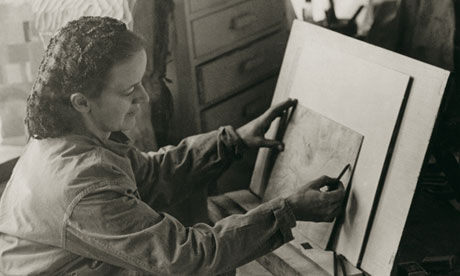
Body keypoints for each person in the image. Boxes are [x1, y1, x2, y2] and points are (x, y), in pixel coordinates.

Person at [0, 16, 345, 275]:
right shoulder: (82, 182)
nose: (144, 97)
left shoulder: (73, 133)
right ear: (81, 102)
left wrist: (231, 141)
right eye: (128, 90)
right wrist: (287, 212)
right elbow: (187, 255)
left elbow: (150, 173)